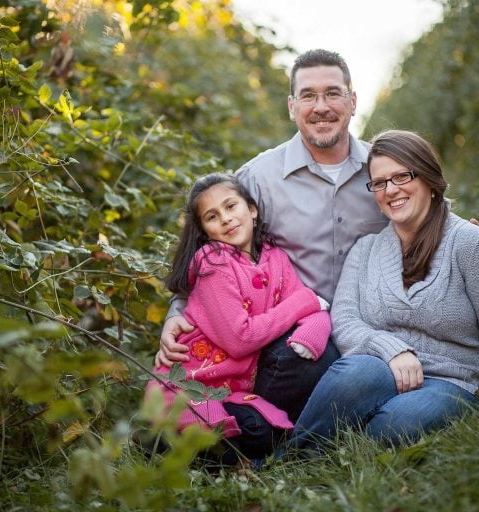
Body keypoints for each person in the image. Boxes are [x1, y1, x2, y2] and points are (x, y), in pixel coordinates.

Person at [157, 49, 388, 422]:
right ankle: (254, 427)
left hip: (368, 324)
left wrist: (475, 240)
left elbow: (423, 216)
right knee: (309, 358)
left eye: (332, 93)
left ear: (352, 101)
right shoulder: (259, 177)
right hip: (291, 336)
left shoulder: (382, 170)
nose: (321, 106)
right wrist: (175, 316)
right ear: (292, 106)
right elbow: (208, 253)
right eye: (308, 96)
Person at [289, 130, 479, 450]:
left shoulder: (471, 244)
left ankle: (348, 435)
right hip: (383, 370)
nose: (390, 190)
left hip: (454, 382)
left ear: (428, 178)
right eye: (379, 182)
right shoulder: (366, 249)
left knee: (393, 426)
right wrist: (390, 349)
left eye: (402, 176)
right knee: (355, 373)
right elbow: (345, 318)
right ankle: (291, 457)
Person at [145, 173, 330, 465]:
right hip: (189, 384)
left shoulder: (275, 258)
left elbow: (309, 306)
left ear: (252, 209)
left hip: (230, 390)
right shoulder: (213, 262)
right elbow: (241, 339)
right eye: (212, 216)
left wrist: (315, 326)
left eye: (231, 206)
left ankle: (195, 446)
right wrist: (306, 302)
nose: (226, 219)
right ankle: (157, 438)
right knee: (223, 447)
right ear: (205, 230)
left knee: (264, 434)